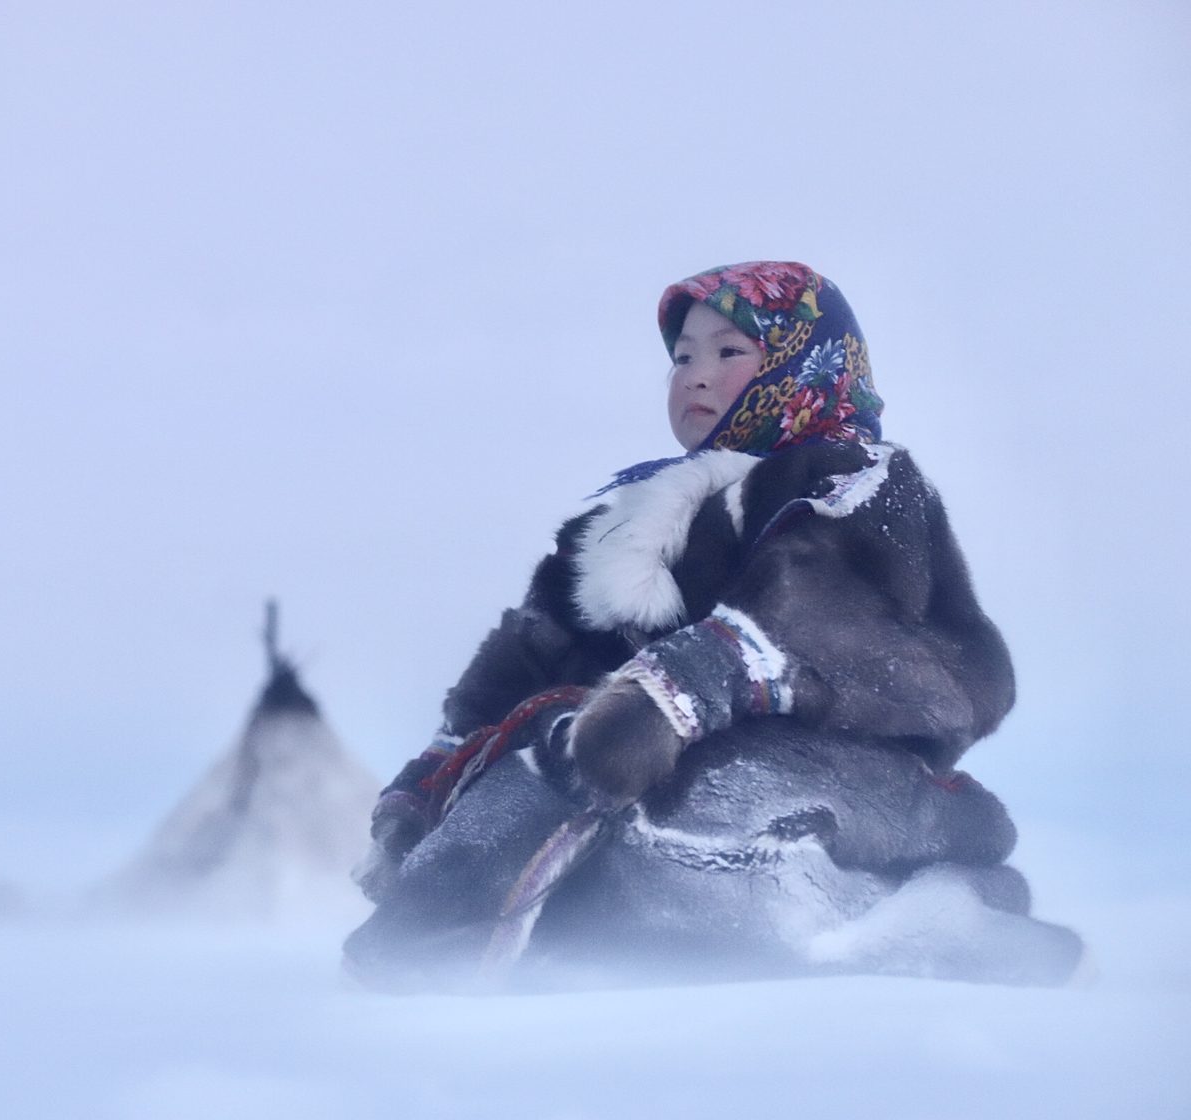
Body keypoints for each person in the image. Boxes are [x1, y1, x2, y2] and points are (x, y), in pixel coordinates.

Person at [344, 262, 1083, 990]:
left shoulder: (859, 485)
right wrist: (441, 769)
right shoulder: (632, 525)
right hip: (668, 775)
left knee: (678, 786)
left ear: (807, 360)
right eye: (682, 357)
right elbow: (537, 652)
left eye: (730, 351)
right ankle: (446, 949)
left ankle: (904, 930)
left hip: (864, 780)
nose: (695, 375)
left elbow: (826, 617)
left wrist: (674, 692)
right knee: (569, 752)